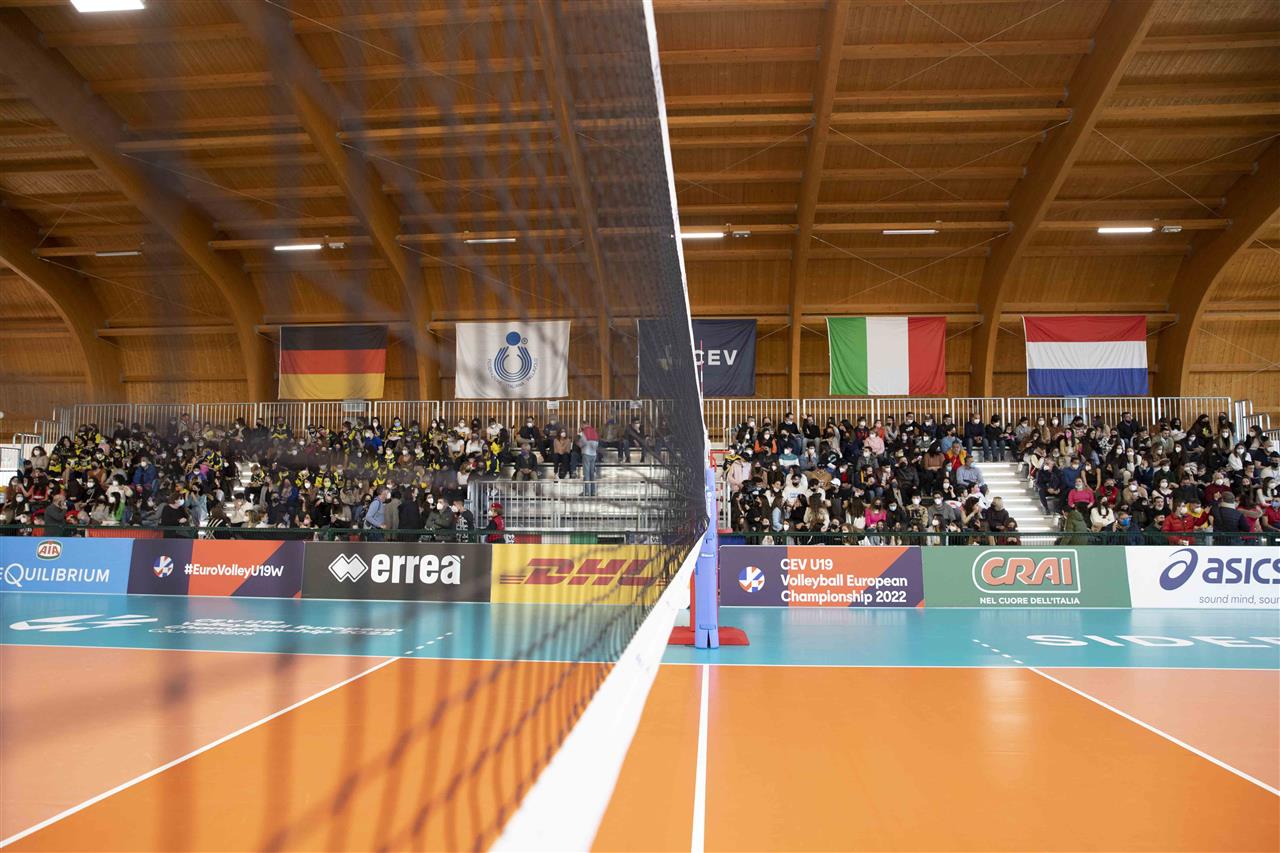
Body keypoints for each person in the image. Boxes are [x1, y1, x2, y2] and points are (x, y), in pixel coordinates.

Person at [579, 420, 600, 497]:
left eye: (581, 425)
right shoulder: (594, 431)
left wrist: (579, 444)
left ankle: (587, 492)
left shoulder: (584, 432)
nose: (581, 426)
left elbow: (582, 443)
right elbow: (597, 443)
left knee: (586, 473)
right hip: (593, 454)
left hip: (586, 453)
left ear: (584, 425)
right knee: (592, 473)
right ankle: (593, 491)